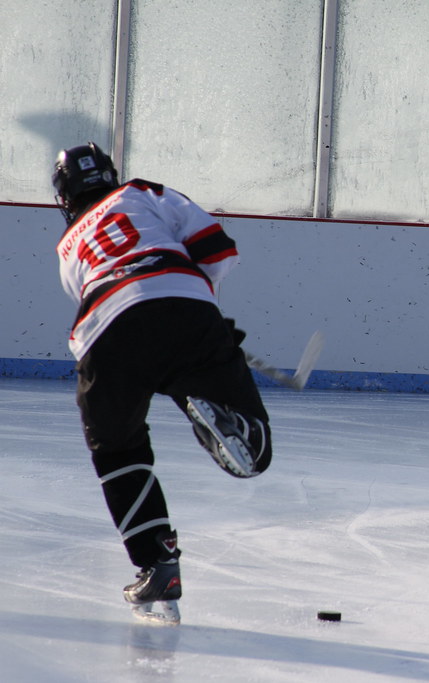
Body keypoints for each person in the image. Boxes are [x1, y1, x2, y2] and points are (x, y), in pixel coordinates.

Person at [52, 142, 272, 623]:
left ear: (64, 198)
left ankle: (158, 566)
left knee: (117, 449)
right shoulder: (142, 192)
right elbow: (218, 250)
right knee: (255, 456)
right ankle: (235, 424)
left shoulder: (67, 246)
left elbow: (109, 298)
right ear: (110, 175)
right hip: (183, 304)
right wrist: (200, 308)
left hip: (102, 330)